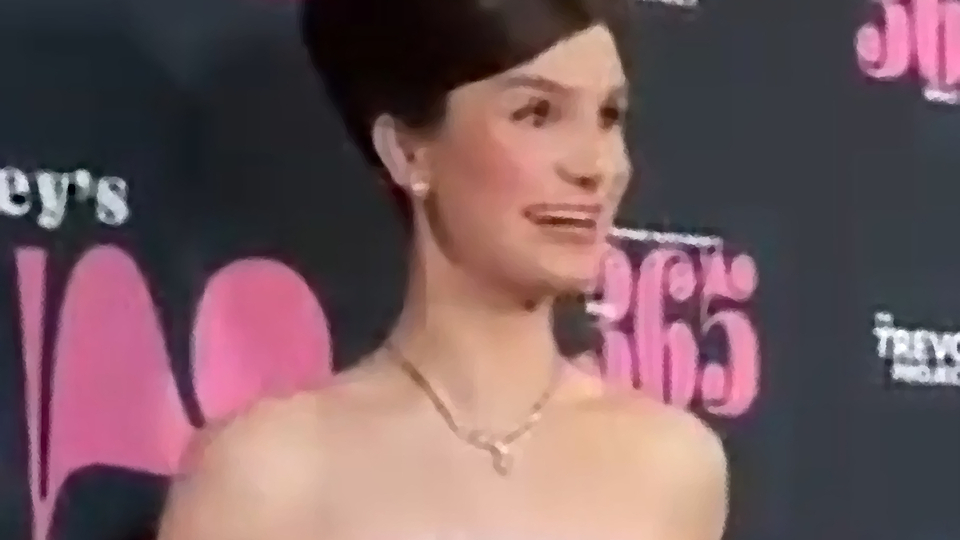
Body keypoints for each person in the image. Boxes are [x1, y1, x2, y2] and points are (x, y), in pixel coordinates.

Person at [158, 0, 729, 537]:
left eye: (609, 116)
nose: (596, 165)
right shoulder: (267, 474)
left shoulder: (673, 467)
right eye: (536, 113)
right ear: (407, 153)